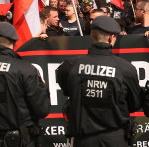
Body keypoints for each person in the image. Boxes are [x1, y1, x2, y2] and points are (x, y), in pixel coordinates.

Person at [56, 16, 142, 146]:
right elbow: (135, 104)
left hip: (84, 140)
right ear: (111, 38)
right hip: (114, 138)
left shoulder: (70, 65)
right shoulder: (126, 68)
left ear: (91, 35)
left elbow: (67, 90)